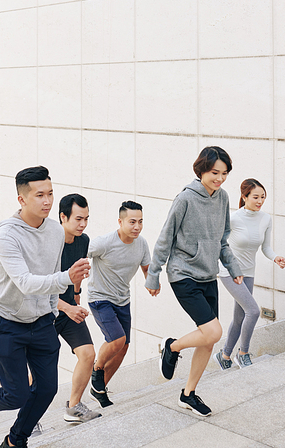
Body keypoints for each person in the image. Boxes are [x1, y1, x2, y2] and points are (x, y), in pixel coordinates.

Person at [0, 166, 90, 448]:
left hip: (42, 319)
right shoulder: (7, 235)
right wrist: (67, 278)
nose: (47, 201)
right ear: (22, 199)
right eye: (40, 195)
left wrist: (57, 308)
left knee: (46, 389)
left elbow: (49, 277)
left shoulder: (56, 231)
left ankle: (14, 441)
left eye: (51, 194)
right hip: (7, 320)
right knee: (15, 394)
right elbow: (25, 281)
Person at [145, 146, 243, 417]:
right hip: (183, 273)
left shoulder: (222, 197)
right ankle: (171, 346)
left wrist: (233, 267)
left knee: (208, 340)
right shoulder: (186, 199)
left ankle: (188, 394)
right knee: (213, 331)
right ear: (201, 170)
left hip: (208, 274)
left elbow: (223, 239)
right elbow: (165, 238)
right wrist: (153, 274)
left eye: (224, 174)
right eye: (214, 173)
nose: (220, 179)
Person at [215, 178, 285, 369]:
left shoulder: (265, 219)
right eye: (255, 197)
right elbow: (218, 244)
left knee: (240, 317)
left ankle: (224, 355)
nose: (260, 201)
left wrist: (275, 257)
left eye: (263, 197)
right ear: (244, 196)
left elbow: (266, 247)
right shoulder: (233, 219)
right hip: (229, 272)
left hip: (248, 273)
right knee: (253, 311)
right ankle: (243, 353)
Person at [88, 200, 151, 408]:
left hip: (122, 299)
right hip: (100, 298)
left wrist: (152, 282)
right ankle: (97, 370)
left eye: (140, 222)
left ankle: (99, 388)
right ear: (120, 221)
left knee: (123, 347)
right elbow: (77, 252)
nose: (137, 227)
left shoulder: (141, 243)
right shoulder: (104, 243)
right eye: (132, 222)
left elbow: (146, 267)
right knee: (116, 339)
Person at [54, 193, 101, 423]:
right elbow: (38, 290)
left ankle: (73, 408)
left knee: (88, 354)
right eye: (78, 219)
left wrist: (77, 295)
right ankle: (27, 421)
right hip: (45, 312)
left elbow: (79, 271)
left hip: (68, 308)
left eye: (86, 219)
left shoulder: (83, 241)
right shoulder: (49, 243)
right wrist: (66, 307)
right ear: (63, 217)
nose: (83, 224)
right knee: (40, 372)